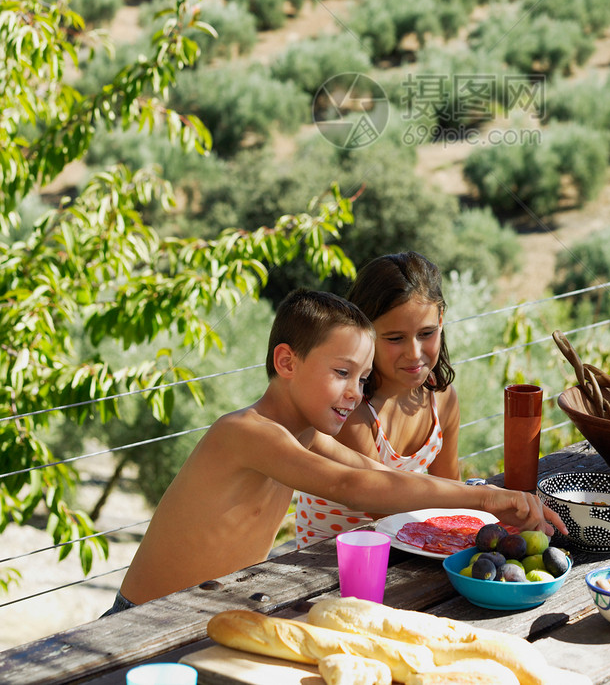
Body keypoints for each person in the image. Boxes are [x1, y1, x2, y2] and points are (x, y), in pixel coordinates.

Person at [104, 287, 562, 613]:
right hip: (141, 618)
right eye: (341, 372)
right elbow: (353, 487)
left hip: (208, 612)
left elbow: (380, 474)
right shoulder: (245, 431)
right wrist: (484, 498)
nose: (354, 392)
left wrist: (487, 503)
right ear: (287, 361)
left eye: (362, 379)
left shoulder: (306, 435)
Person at [295, 252, 458, 548]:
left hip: (408, 544)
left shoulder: (441, 397)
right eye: (395, 338)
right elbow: (383, 505)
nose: (414, 352)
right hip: (329, 562)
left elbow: (450, 489)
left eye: (426, 333)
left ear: (441, 322)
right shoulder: (350, 407)